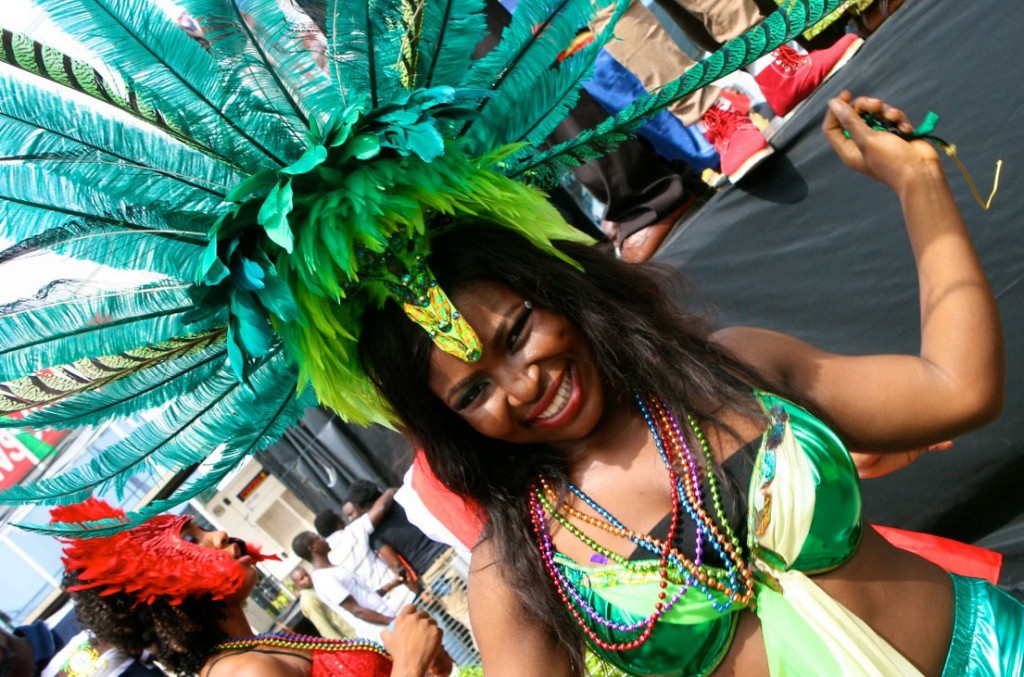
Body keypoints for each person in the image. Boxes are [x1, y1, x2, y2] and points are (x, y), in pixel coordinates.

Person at [355, 93, 1023, 675]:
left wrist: (918, 182)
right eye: (473, 393)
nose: (522, 384)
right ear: (452, 423)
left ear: (558, 294)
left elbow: (958, 389)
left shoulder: (731, 369)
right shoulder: (516, 565)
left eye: (518, 331)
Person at [50, 498, 445, 677]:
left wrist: (417, 661)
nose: (220, 534)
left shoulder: (254, 649)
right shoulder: (240, 672)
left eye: (203, 527)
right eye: (191, 539)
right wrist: (408, 665)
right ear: (159, 589)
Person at [344, 481, 472, 631]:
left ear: (361, 507)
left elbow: (397, 566)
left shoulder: (374, 536)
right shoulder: (403, 500)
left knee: (467, 615)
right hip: (454, 550)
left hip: (434, 574)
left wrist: (419, 592)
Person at [289, 567, 357, 640]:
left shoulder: (317, 587)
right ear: (297, 584)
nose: (307, 578)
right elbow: (323, 627)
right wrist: (344, 646)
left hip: (354, 626)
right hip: (348, 636)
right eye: (302, 578)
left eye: (306, 575)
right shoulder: (308, 600)